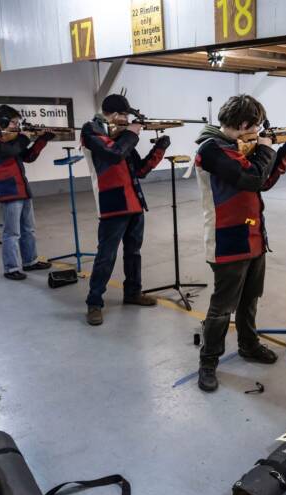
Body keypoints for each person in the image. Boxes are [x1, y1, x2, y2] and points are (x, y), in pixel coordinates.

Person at [193, 94, 286, 392]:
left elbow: (262, 182)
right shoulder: (211, 150)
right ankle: (208, 361)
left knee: (250, 298)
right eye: (255, 126)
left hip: (252, 236)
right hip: (226, 239)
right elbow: (251, 177)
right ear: (243, 125)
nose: (257, 131)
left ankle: (248, 344)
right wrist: (266, 148)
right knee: (222, 307)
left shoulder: (236, 147)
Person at [81, 93, 170, 326]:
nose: (126, 120)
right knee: (106, 256)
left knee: (133, 253)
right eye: (123, 116)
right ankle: (94, 302)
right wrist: (132, 132)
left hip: (134, 202)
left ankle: (132, 292)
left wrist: (159, 149)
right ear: (113, 115)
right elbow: (114, 154)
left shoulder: (122, 138)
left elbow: (140, 170)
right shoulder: (91, 131)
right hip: (112, 204)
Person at [0, 105, 54, 280]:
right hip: (8, 188)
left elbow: (28, 157)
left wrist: (42, 140)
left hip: (22, 187)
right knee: (12, 232)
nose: (16, 126)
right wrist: (24, 137)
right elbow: (9, 151)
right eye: (13, 122)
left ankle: (30, 261)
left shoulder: (13, 137)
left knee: (28, 229)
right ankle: (11, 268)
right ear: (3, 121)